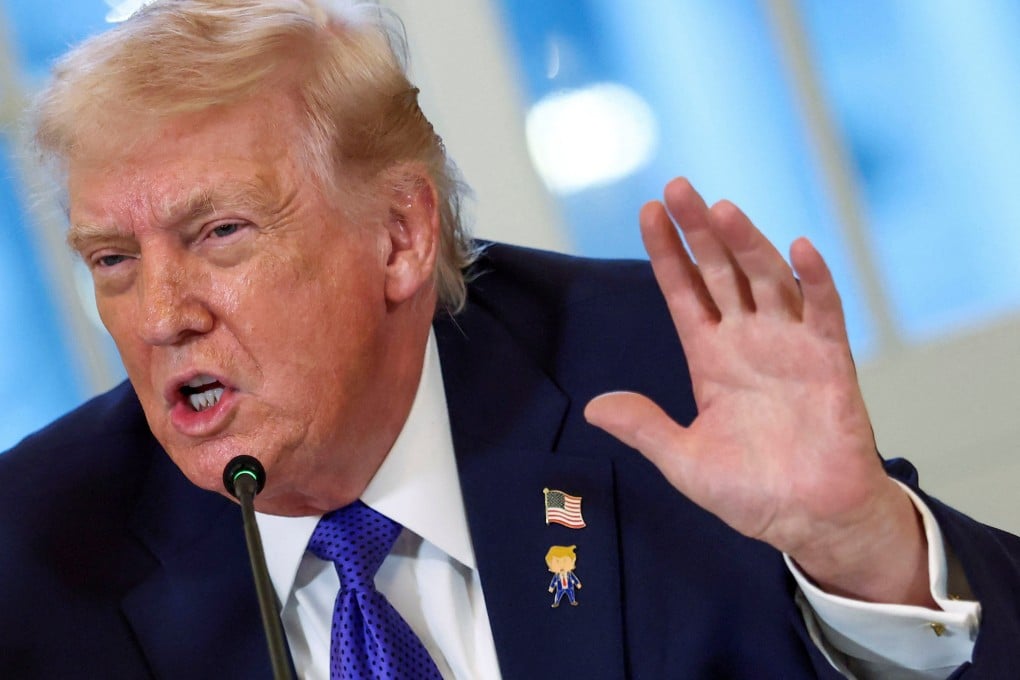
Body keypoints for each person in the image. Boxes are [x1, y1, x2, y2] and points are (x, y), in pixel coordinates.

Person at [1, 0, 1017, 678]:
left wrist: (864, 549)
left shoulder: (661, 375)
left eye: (218, 233)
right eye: (112, 261)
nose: (161, 312)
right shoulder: (37, 555)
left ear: (399, 236)